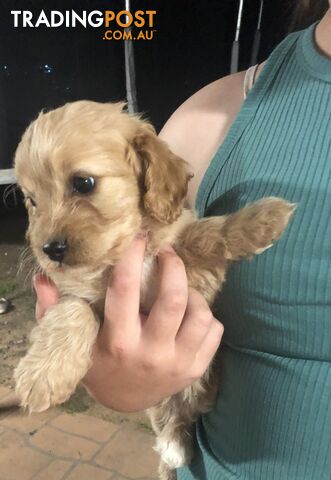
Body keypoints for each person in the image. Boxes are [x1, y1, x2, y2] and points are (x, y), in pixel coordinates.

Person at [34, 3, 331, 479]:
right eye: (30, 200)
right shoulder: (208, 118)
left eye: (83, 185)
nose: (46, 229)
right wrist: (121, 384)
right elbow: (135, 314)